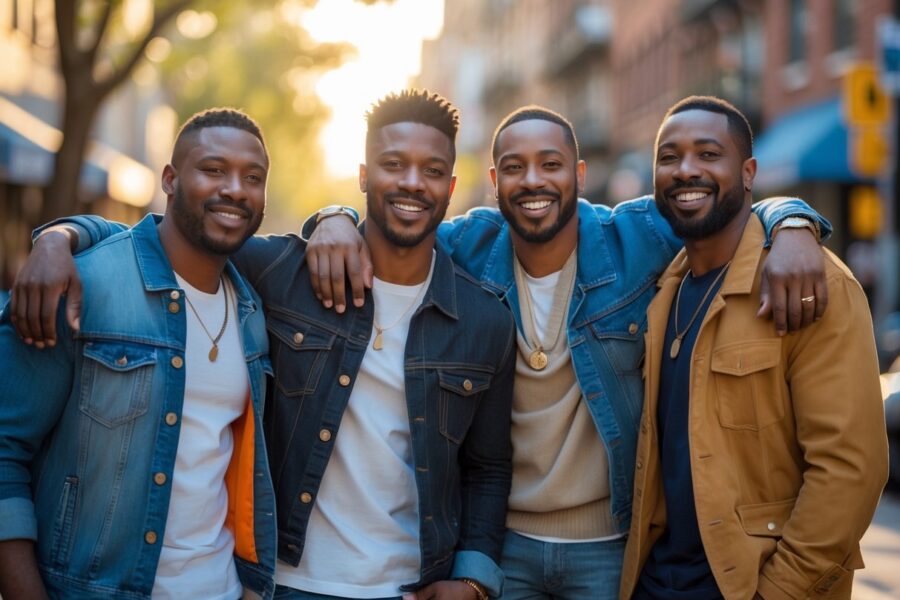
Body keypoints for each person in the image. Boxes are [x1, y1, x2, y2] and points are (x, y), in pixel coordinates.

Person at [296, 106, 831, 599]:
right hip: (503, 545)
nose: (532, 181)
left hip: (610, 541)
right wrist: (334, 216)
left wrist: (793, 223)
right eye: (514, 167)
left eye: (549, 165)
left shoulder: (635, 237)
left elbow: (723, 209)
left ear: (577, 174)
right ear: (493, 182)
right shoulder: (467, 246)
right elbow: (398, 218)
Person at [11, 90, 516, 600]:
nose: (411, 182)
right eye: (392, 164)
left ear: (451, 186)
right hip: (281, 583)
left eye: (431, 170)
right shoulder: (281, 275)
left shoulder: (484, 320)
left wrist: (473, 581)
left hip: (405, 586)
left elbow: (488, 467)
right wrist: (59, 237)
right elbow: (160, 241)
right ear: (364, 175)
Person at [0, 108, 278, 599]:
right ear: (170, 179)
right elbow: (4, 450)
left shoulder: (253, 311)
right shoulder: (85, 284)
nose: (235, 189)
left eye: (252, 177)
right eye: (213, 170)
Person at [620, 96, 887, 600]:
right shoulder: (661, 290)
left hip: (752, 586)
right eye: (669, 157)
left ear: (748, 173)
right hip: (655, 582)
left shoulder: (811, 282)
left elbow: (851, 469)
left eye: (707, 154)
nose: (686, 170)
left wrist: (779, 590)